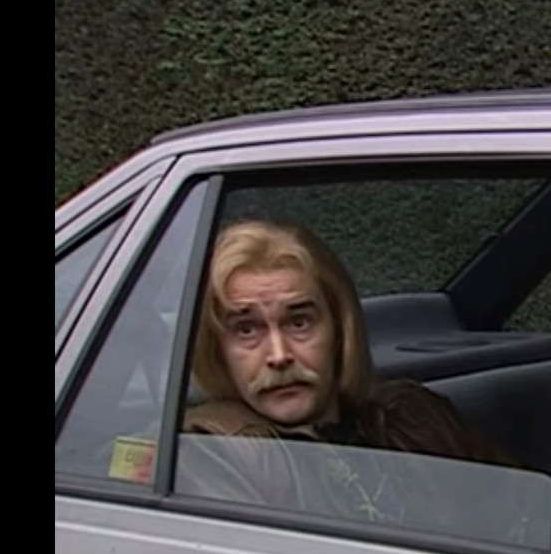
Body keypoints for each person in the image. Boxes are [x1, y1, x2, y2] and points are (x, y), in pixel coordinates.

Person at [179, 219, 520, 524]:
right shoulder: (211, 452)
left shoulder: (413, 415)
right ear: (217, 350)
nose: (279, 356)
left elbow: (525, 521)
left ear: (340, 330)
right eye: (246, 330)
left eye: (299, 323)